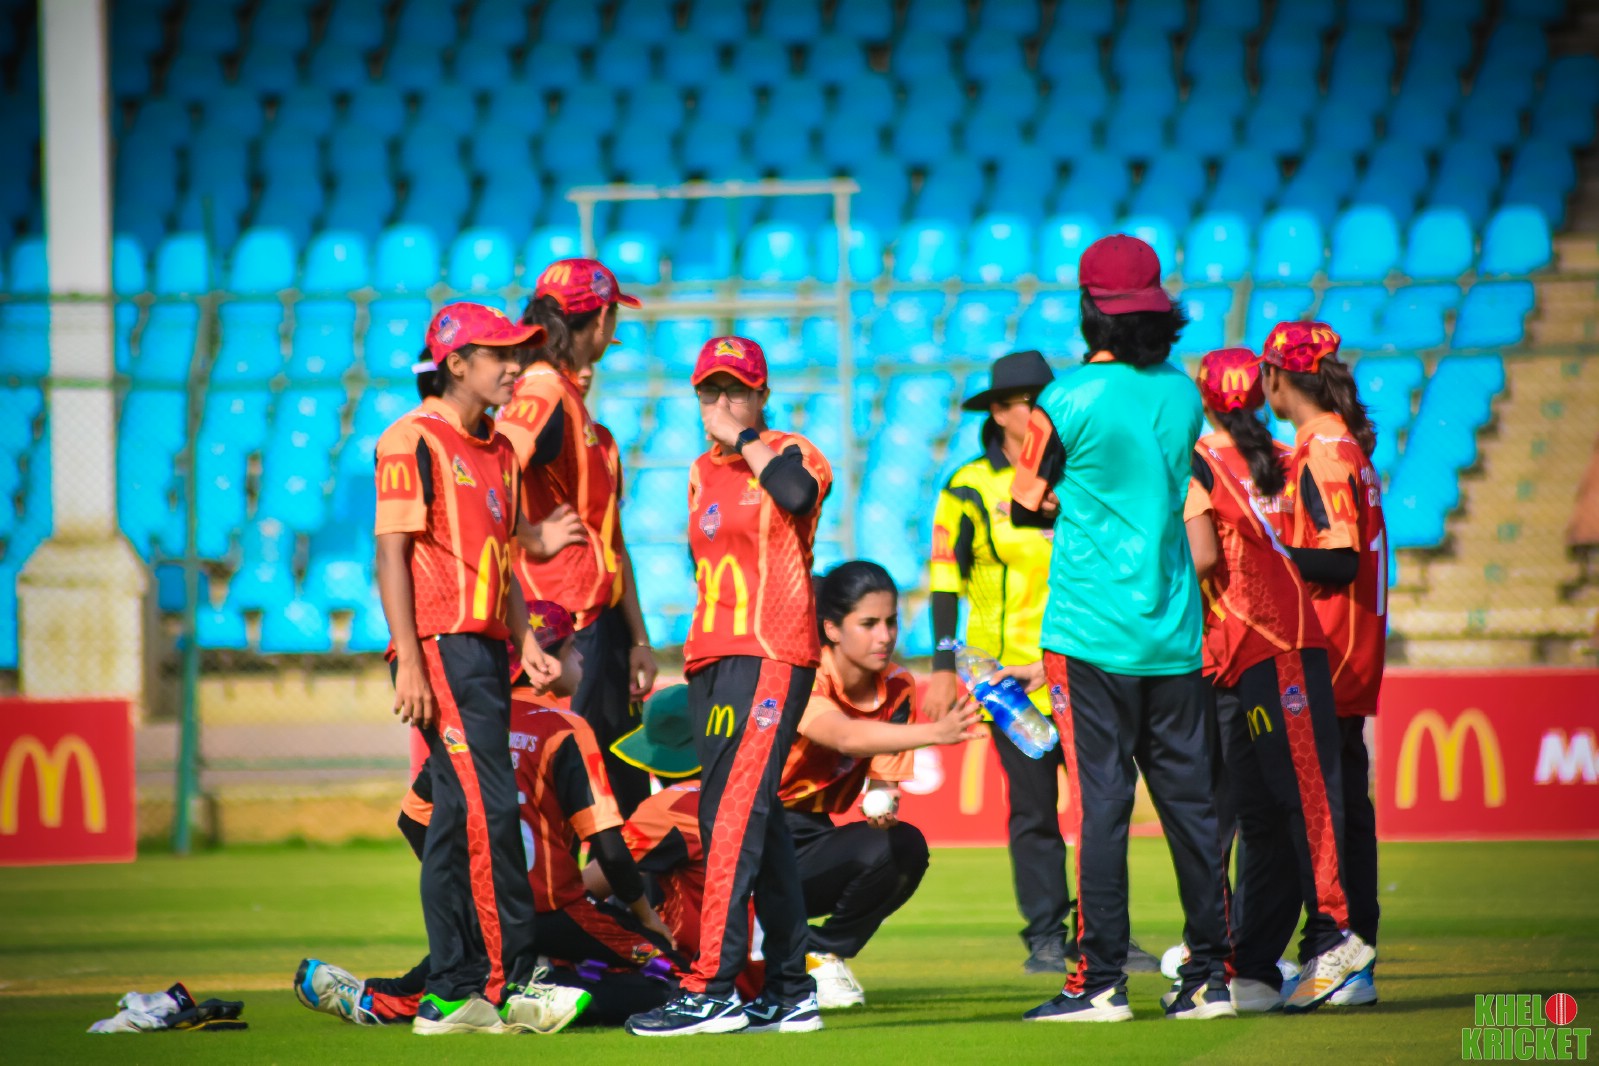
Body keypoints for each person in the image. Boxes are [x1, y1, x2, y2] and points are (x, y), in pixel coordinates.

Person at [1005, 235, 1234, 1023]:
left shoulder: (1061, 400)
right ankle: (1210, 977)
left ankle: (1099, 981)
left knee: (1100, 809)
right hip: (1172, 632)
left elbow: (1024, 505)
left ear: (1088, 309)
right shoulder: (1181, 393)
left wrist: (1073, 501)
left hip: (1088, 633)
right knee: (1192, 810)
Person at [296, 604, 680, 1031]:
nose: (582, 657)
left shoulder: (470, 726)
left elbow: (412, 819)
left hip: (493, 912)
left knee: (462, 967)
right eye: (572, 648)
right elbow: (608, 845)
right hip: (558, 911)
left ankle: (376, 996)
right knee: (677, 976)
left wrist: (472, 888)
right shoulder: (566, 728)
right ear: (544, 663)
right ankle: (540, 988)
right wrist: (646, 916)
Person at [371, 302, 585, 1035]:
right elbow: (392, 554)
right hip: (441, 647)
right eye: (499, 354)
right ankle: (509, 980)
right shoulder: (410, 439)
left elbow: (503, 560)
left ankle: (450, 992)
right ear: (455, 364)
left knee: (456, 820)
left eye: (519, 352)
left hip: (487, 648)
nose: (514, 365)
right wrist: (408, 659)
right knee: (493, 808)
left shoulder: (497, 450)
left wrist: (525, 638)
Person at [625, 336, 832, 1037]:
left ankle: (712, 987)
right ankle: (790, 989)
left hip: (770, 653)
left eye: (736, 390)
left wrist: (745, 437)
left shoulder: (792, 451)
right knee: (752, 819)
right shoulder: (697, 472)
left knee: (732, 818)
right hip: (712, 658)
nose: (720, 403)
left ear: (761, 395)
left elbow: (797, 496)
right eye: (709, 391)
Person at [1185, 347, 1375, 1013]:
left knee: (1299, 803)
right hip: (1267, 647)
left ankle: (1335, 938)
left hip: (1264, 646)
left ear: (1203, 399)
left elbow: (1201, 556)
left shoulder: (1200, 462)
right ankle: (1256, 966)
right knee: (1269, 810)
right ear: (1257, 393)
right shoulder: (1287, 457)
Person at [784, 561, 982, 1008]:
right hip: (752, 838)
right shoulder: (803, 675)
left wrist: (883, 795)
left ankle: (821, 952)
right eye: (869, 623)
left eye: (891, 622)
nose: (885, 636)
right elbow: (843, 736)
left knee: (902, 846)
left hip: (812, 835)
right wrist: (936, 732)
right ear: (832, 629)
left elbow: (883, 781)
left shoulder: (897, 686)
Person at [1259, 321, 1388, 1007]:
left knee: (1318, 816)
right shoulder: (1340, 447)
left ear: (1277, 377)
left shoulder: (1326, 453)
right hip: (1347, 654)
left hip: (1326, 656)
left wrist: (1266, 560)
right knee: (1342, 812)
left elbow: (1336, 559)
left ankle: (1333, 953)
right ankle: (1345, 956)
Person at [499, 258, 657, 818]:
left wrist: (637, 638)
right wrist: (530, 536)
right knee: (581, 799)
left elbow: (612, 540)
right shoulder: (544, 391)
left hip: (597, 621)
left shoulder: (570, 402)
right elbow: (492, 472)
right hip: (565, 625)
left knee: (620, 793)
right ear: (604, 320)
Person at [600, 685, 769, 1004]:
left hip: (703, 976)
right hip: (765, 978)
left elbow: (592, 882)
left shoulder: (669, 808)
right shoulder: (753, 794)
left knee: (595, 915)